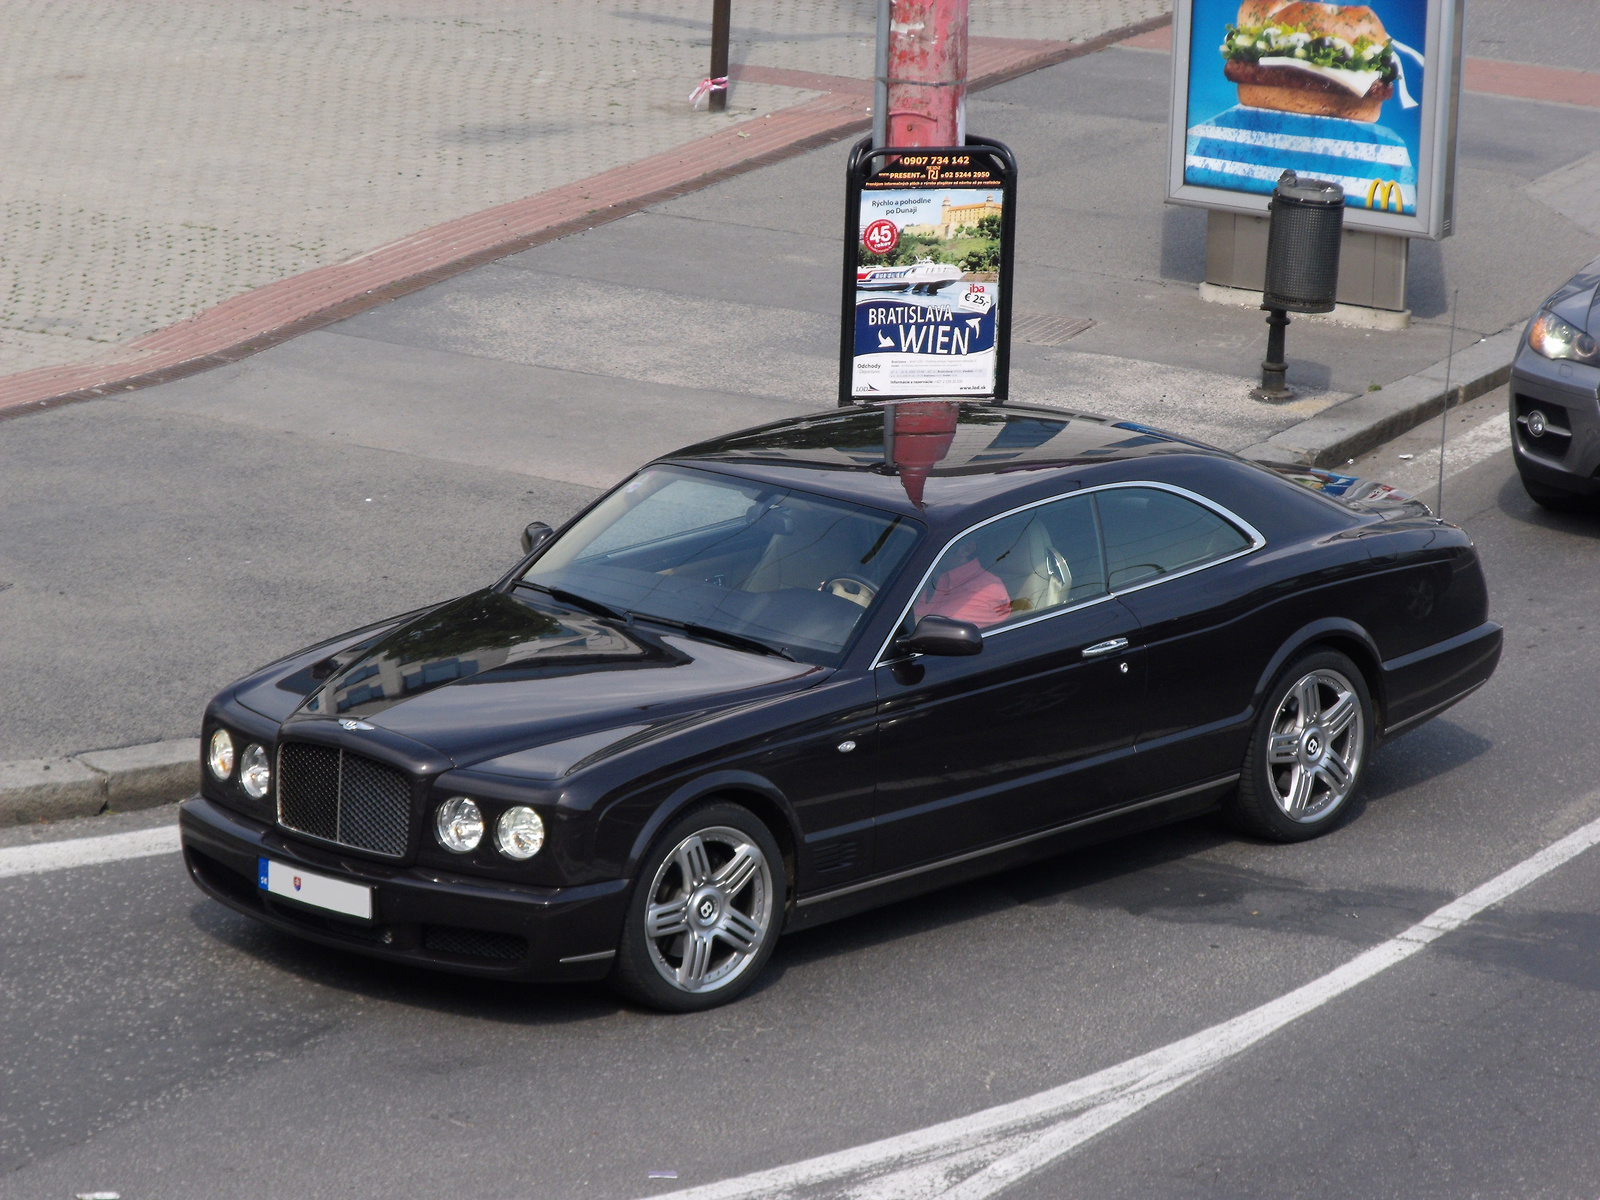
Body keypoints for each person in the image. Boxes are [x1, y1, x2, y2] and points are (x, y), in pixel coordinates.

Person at [913, 535, 1012, 628]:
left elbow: (935, 629)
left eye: (930, 546)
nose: (919, 554)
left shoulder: (987, 589)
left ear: (966, 549)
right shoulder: (931, 575)